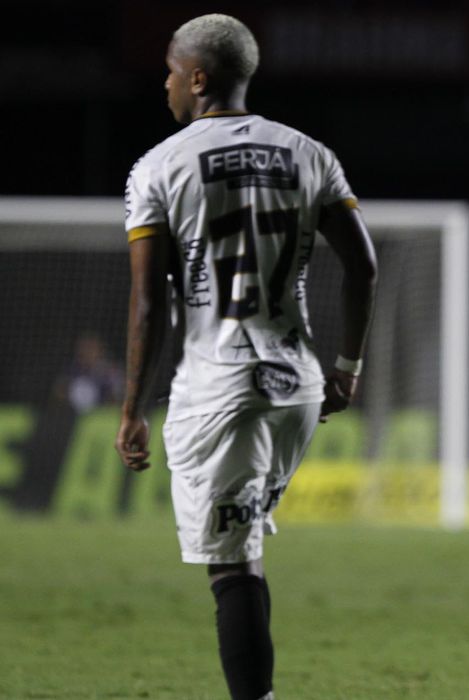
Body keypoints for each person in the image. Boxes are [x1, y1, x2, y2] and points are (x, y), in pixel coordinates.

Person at [114, 15, 377, 700]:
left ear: (198, 78)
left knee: (231, 567)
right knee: (243, 553)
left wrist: (132, 408)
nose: (166, 82)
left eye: (172, 69)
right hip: (296, 385)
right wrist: (347, 366)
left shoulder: (159, 168)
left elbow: (149, 304)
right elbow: (364, 265)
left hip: (218, 387)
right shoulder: (308, 153)